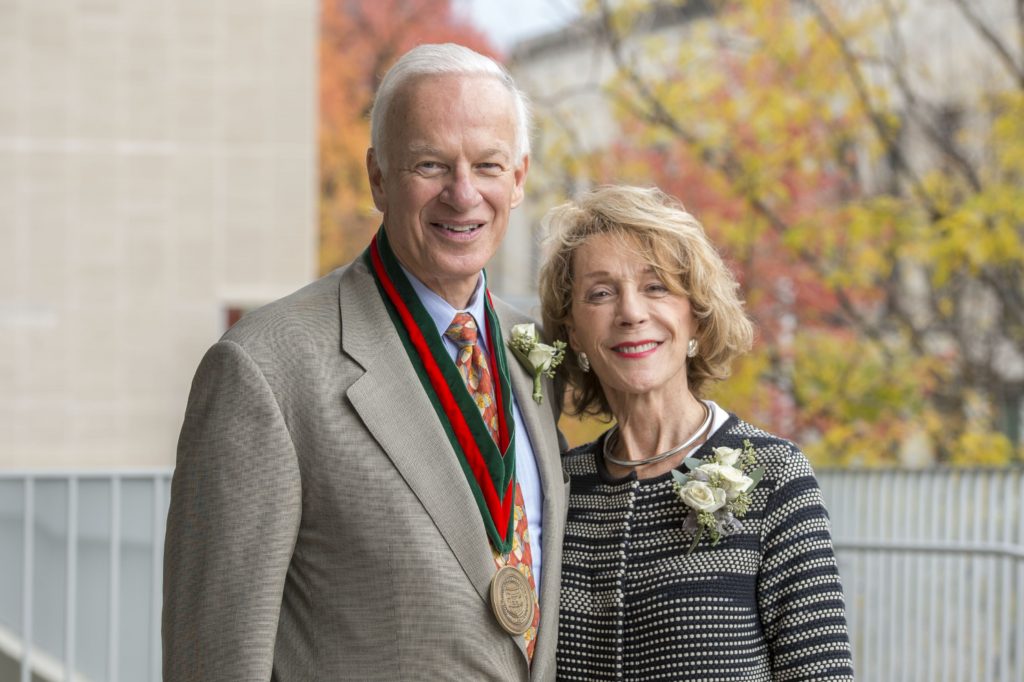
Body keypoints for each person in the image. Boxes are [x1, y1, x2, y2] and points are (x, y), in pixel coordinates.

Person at [163, 43, 568, 681]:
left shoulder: (537, 354)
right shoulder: (264, 368)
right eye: (430, 165)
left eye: (487, 165)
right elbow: (210, 662)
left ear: (517, 179)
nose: (463, 195)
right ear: (378, 176)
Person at [538, 185, 854, 681]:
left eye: (656, 287)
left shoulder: (773, 474)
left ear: (697, 318)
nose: (631, 312)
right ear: (575, 332)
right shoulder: (555, 485)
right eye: (600, 293)